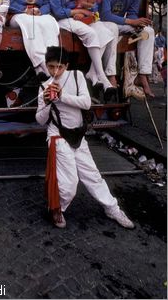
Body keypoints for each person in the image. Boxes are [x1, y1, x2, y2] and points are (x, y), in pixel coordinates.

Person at [36, 46, 135, 230]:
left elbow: (86, 102)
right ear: (46, 66)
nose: (55, 71)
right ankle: (57, 208)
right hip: (58, 134)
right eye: (51, 67)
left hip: (78, 134)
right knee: (69, 182)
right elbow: (40, 120)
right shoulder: (44, 86)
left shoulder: (76, 76)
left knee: (93, 175)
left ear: (66, 65)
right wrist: (48, 102)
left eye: (59, 67)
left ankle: (112, 208)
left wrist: (62, 96)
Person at [49, 0, 117, 98]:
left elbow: (92, 6)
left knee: (105, 33)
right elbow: (57, 11)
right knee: (91, 33)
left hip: (81, 20)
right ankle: (102, 78)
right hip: (63, 20)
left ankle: (92, 72)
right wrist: (77, 11)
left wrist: (88, 11)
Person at [99, 0, 155, 97]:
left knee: (148, 32)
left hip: (122, 25)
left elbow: (132, 13)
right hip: (104, 24)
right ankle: (111, 74)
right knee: (112, 27)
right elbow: (105, 15)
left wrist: (138, 24)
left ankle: (142, 75)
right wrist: (131, 21)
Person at [9, 0, 60, 75]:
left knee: (50, 22)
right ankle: (41, 63)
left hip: (38, 13)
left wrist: (40, 11)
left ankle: (53, 59)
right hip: (18, 14)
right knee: (30, 23)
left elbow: (48, 3)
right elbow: (9, 2)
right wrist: (24, 10)